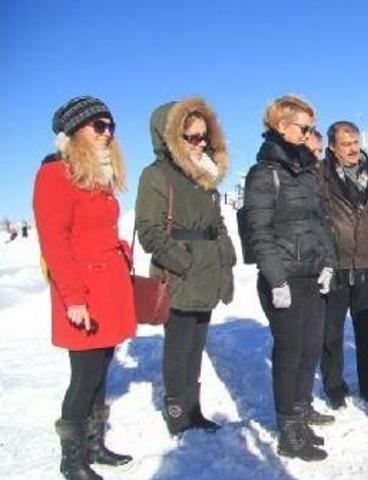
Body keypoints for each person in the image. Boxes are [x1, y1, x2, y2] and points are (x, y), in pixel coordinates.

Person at [34, 96, 135, 480]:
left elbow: (97, 231)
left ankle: (94, 445)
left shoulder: (99, 175)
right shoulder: (55, 173)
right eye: (99, 126)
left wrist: (121, 252)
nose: (107, 133)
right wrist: (73, 298)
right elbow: (55, 241)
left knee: (101, 369)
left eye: (111, 125)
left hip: (108, 286)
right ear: (76, 131)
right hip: (82, 292)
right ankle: (71, 460)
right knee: (85, 375)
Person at [135, 97, 236, 436]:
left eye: (203, 136)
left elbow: (218, 225)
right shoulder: (155, 175)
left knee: (196, 347)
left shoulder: (205, 177)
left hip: (206, 273)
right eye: (192, 137)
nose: (201, 143)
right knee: (179, 348)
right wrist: (185, 263)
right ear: (172, 138)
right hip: (178, 276)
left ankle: (195, 410)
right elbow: (149, 231)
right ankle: (177, 411)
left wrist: (225, 265)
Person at [243, 95, 335, 460]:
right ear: (281, 127)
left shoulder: (307, 171)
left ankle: (299, 414)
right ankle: (288, 431)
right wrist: (276, 279)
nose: (310, 134)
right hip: (285, 278)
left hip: (312, 275)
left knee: (311, 347)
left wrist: (327, 262)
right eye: (305, 128)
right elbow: (259, 232)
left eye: (312, 128)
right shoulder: (264, 174)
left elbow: (319, 222)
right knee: (289, 353)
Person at [319, 120, 368, 410]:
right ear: (332, 147)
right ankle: (334, 389)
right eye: (346, 144)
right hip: (334, 264)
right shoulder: (320, 176)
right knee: (331, 332)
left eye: (355, 143)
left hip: (367, 262)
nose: (353, 149)